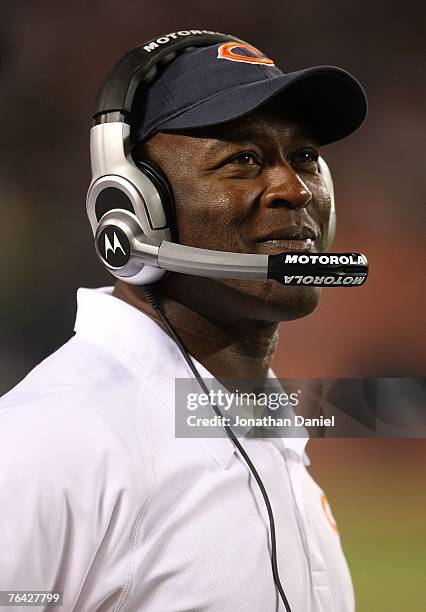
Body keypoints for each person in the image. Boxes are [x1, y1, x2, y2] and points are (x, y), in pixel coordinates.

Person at [0, 32, 367, 611]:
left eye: (305, 158)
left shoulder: (265, 431)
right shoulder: (47, 443)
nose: (295, 189)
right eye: (243, 160)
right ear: (131, 205)